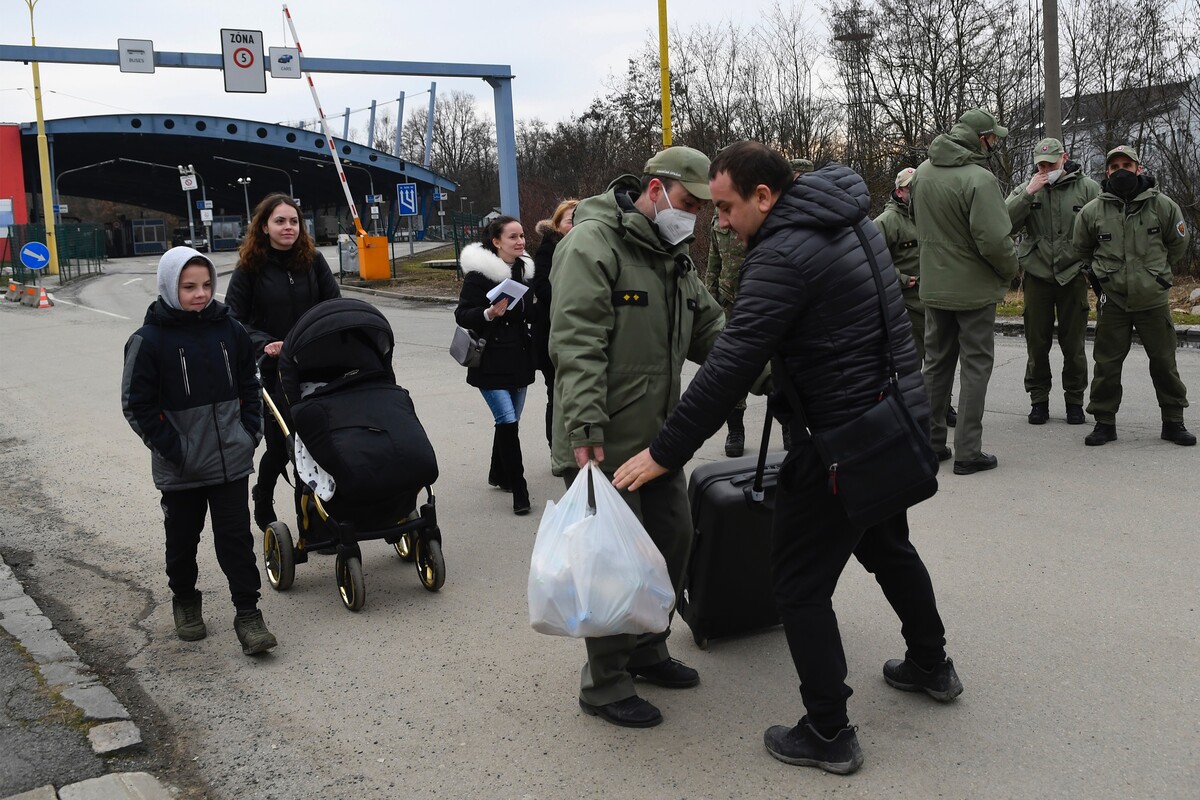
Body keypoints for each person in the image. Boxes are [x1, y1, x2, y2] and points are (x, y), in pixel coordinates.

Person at [613, 142, 959, 774]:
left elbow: (728, 369)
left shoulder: (780, 255)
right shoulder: (847, 217)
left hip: (837, 443)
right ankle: (932, 664)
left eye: (725, 208)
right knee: (886, 546)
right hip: (888, 420)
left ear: (764, 197)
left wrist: (665, 453)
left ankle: (828, 731)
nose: (717, 222)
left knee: (798, 586)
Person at [549, 145, 728, 728]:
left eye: (703, 208)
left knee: (671, 541)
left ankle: (649, 649)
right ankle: (605, 684)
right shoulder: (592, 244)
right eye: (687, 202)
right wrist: (583, 428)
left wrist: (772, 365)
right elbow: (575, 342)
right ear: (655, 189)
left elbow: (713, 332)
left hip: (658, 438)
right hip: (603, 436)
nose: (693, 218)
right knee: (613, 564)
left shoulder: (671, 256)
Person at [121, 247, 278, 656]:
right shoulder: (149, 340)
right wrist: (178, 451)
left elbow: (250, 383)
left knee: (236, 542)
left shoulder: (230, 330)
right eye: (189, 286)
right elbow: (137, 405)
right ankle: (186, 600)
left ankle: (248, 615)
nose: (200, 294)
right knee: (182, 543)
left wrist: (249, 434)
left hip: (230, 461)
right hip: (182, 469)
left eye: (206, 285)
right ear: (169, 286)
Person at [225, 193, 340, 534]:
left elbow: (332, 304)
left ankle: (317, 519)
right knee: (282, 445)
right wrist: (265, 342)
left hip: (315, 362)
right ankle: (265, 496)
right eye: (280, 221)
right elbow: (233, 319)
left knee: (316, 441)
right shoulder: (250, 268)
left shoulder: (312, 260)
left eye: (293, 221)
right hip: (272, 368)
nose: (288, 227)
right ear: (263, 226)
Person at [912, 108, 1018, 475]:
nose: (995, 144)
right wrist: (1010, 269)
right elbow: (993, 240)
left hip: (933, 286)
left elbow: (919, 225)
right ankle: (968, 451)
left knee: (936, 365)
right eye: (992, 138)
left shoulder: (921, 174)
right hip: (972, 290)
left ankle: (930, 443)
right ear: (980, 138)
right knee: (975, 367)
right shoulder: (980, 179)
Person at [1073, 145, 1194, 447]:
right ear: (1107, 172)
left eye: (1127, 164)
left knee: (1164, 362)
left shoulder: (1162, 206)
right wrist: (1100, 277)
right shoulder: (1093, 211)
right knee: (1107, 364)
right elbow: (1080, 248)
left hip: (1152, 299)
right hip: (1113, 300)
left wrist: (1157, 274)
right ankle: (1104, 422)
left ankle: (1173, 421)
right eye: (1115, 167)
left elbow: (1178, 244)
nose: (1121, 170)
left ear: (1139, 168)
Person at [707, 157, 814, 457]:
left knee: (779, 369)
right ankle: (735, 430)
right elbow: (713, 264)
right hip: (732, 301)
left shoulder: (776, 220)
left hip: (772, 299)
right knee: (736, 370)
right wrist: (711, 299)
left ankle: (789, 428)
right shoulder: (720, 221)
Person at [1006, 137, 1100, 426]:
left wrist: (1091, 267)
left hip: (1072, 275)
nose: (1046, 169)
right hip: (1038, 275)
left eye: (1051, 163)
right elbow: (1002, 223)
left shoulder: (1087, 188)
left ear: (1064, 158)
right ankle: (1039, 400)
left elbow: (1102, 227)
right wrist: (1028, 194)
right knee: (1037, 343)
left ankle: (1074, 401)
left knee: (1073, 345)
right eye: (1041, 165)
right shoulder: (1029, 188)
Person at [456, 215, 538, 514]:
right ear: (496, 241)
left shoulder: (525, 270)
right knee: (507, 421)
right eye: (513, 237)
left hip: (519, 358)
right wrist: (489, 313)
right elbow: (463, 314)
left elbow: (531, 311)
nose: (521, 241)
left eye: (522, 235)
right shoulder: (479, 275)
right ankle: (520, 488)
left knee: (508, 424)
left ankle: (497, 472)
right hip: (489, 361)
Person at [875, 167, 958, 431]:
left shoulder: (931, 214)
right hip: (907, 305)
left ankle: (942, 407)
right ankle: (910, 413)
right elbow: (872, 261)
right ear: (900, 191)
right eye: (912, 188)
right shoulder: (887, 222)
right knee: (912, 365)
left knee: (941, 360)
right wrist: (899, 278)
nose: (917, 192)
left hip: (936, 300)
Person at [530, 199, 578, 448]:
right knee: (556, 392)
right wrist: (573, 297)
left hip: (577, 332)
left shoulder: (587, 246)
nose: (575, 224)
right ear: (557, 224)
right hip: (550, 330)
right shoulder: (549, 247)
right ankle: (556, 447)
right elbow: (541, 286)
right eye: (570, 220)